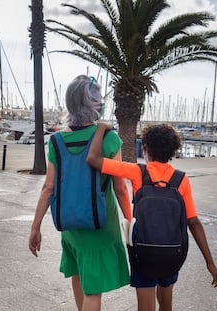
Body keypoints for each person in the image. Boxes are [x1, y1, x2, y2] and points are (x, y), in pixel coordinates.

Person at [87, 123, 217, 311]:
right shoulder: (181, 179)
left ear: (145, 148)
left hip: (143, 253)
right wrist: (210, 263)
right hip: (172, 252)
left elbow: (93, 159)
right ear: (172, 151)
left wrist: (101, 128)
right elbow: (193, 222)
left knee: (146, 307)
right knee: (166, 303)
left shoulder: (138, 172)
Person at [28, 75, 132, 311]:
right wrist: (130, 219)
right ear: (93, 103)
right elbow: (119, 188)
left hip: (71, 225)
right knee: (93, 292)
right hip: (99, 223)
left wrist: (35, 227)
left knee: (78, 276)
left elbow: (48, 188)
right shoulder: (108, 138)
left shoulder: (56, 141)